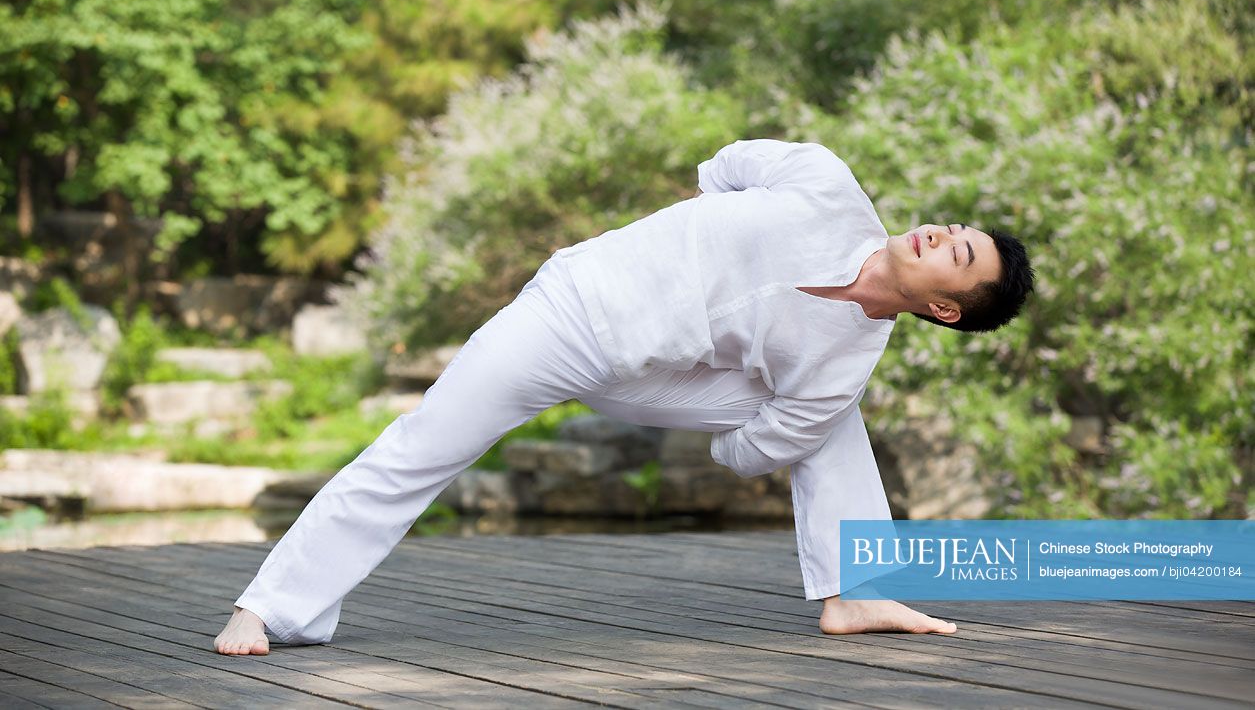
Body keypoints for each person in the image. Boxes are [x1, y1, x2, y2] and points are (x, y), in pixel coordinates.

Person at [214, 138, 1034, 655]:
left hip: (661, 378)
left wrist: (725, 429)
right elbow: (722, 166)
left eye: (957, 256)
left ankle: (853, 596)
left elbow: (763, 447)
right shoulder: (823, 181)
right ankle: (271, 607)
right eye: (952, 228)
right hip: (570, 315)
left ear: (943, 308)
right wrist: (695, 256)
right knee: (422, 443)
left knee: (829, 414)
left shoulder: (847, 355)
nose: (937, 234)